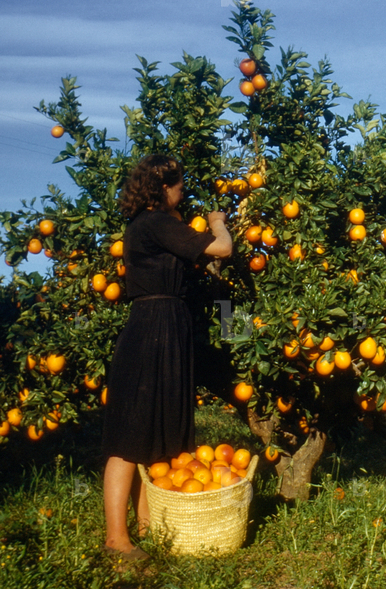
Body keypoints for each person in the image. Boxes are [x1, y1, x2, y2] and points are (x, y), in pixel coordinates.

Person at [101, 155, 232, 561]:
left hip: (164, 325)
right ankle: (116, 540)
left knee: (155, 429)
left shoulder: (151, 226)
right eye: (179, 186)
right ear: (164, 188)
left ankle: (147, 527)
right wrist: (217, 222)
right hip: (152, 329)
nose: (183, 192)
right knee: (130, 435)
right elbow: (222, 248)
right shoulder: (156, 222)